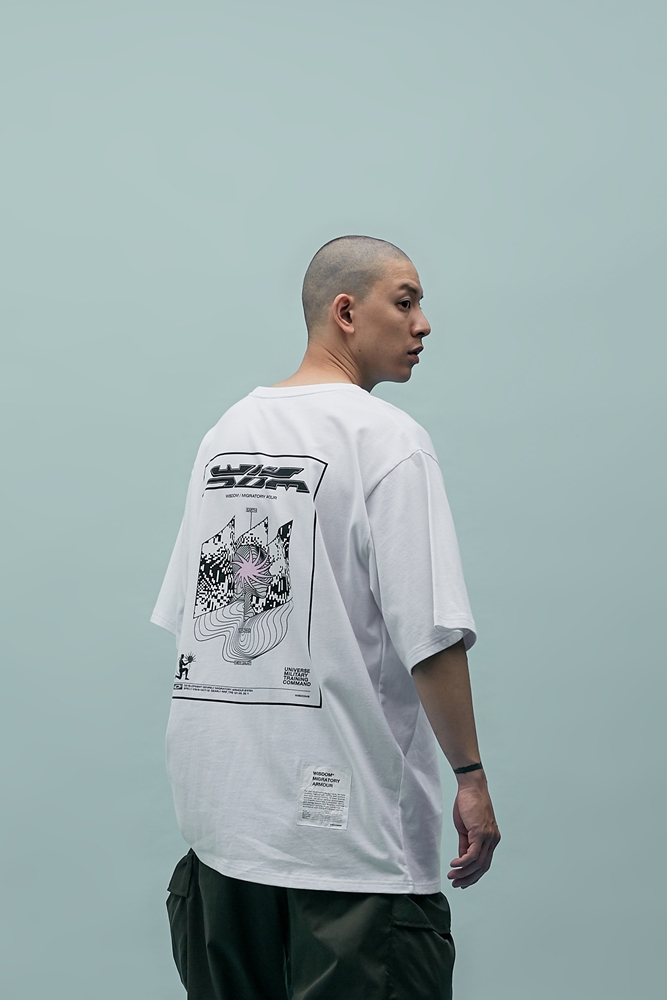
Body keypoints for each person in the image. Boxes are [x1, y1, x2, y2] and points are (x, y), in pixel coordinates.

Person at [151, 235, 500, 1000]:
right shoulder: (388, 441)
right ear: (345, 311)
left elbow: (198, 620)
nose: (423, 323)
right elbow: (431, 637)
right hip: (352, 854)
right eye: (404, 302)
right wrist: (470, 778)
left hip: (220, 836)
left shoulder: (227, 434)